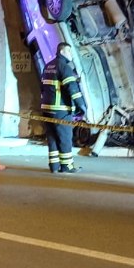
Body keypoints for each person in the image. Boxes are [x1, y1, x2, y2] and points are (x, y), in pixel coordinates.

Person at [40, 42, 87, 173]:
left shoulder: (48, 66)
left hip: (46, 109)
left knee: (52, 137)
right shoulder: (64, 67)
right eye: (69, 51)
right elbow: (72, 88)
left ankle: (54, 166)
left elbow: (42, 87)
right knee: (65, 137)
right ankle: (67, 166)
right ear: (62, 52)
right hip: (61, 110)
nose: (71, 54)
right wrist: (81, 105)